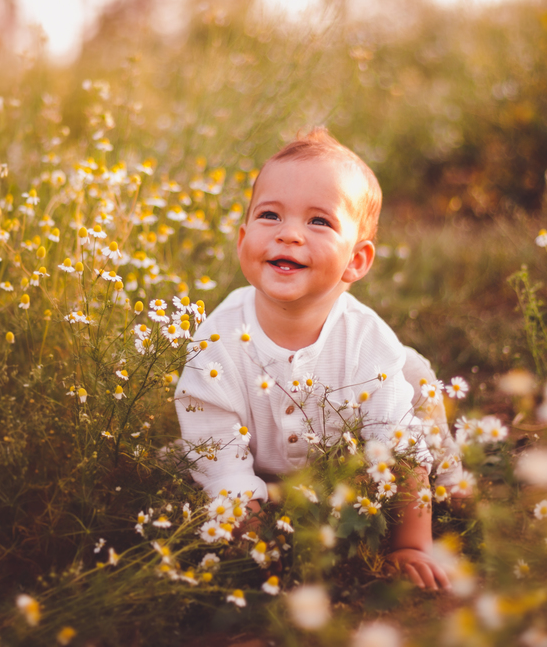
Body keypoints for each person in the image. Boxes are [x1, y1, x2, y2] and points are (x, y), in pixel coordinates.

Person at [175, 127, 454, 591]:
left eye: (319, 222)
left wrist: (411, 543)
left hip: (345, 472)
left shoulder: (368, 343)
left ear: (356, 261)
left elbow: (399, 450)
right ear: (243, 239)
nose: (288, 234)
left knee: (414, 375)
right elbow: (215, 441)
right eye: (270, 215)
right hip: (260, 470)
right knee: (184, 460)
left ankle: (453, 477)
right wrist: (248, 525)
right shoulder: (217, 340)